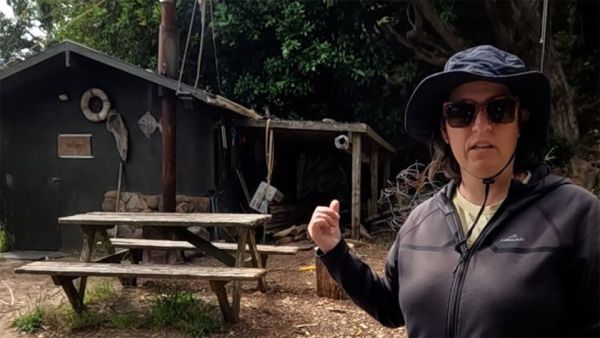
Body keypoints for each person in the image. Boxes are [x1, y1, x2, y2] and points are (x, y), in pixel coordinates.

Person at [308, 45, 600, 337]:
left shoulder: (575, 216)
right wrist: (335, 252)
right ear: (445, 130)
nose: (480, 126)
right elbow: (390, 306)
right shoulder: (420, 222)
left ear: (520, 121)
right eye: (461, 113)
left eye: (498, 110)